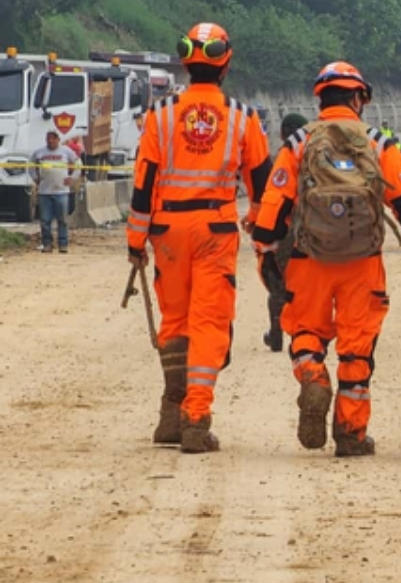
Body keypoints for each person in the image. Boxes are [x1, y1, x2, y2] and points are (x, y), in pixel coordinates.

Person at [251, 61, 401, 457]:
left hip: (308, 259)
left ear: (319, 99)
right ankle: (351, 433)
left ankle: (313, 375)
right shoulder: (377, 142)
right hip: (362, 263)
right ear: (358, 98)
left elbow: (272, 207)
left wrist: (265, 252)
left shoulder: (299, 142)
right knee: (357, 349)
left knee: (305, 332)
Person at [126, 22, 272, 453]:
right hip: (215, 231)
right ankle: (195, 418)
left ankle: (171, 415)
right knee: (208, 323)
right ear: (225, 63)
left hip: (167, 232)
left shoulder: (159, 116)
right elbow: (262, 185)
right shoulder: (244, 118)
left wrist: (136, 241)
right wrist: (264, 233)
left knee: (175, 321)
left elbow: (143, 182)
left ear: (186, 62)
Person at [243, 112, 309, 352]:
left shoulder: (284, 158)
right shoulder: (315, 157)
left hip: (284, 231)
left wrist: (257, 227)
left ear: (282, 134)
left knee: (278, 286)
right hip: (312, 231)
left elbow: (270, 197)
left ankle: (277, 333)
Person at [29, 131, 78, 253]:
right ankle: (47, 244)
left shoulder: (66, 151)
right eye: (48, 139)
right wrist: (35, 178)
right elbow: (30, 165)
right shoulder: (39, 152)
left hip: (61, 191)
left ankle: (63, 244)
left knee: (62, 219)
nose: (50, 141)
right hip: (44, 191)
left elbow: (79, 164)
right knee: (45, 220)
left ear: (58, 139)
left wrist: (72, 177)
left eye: (53, 139)